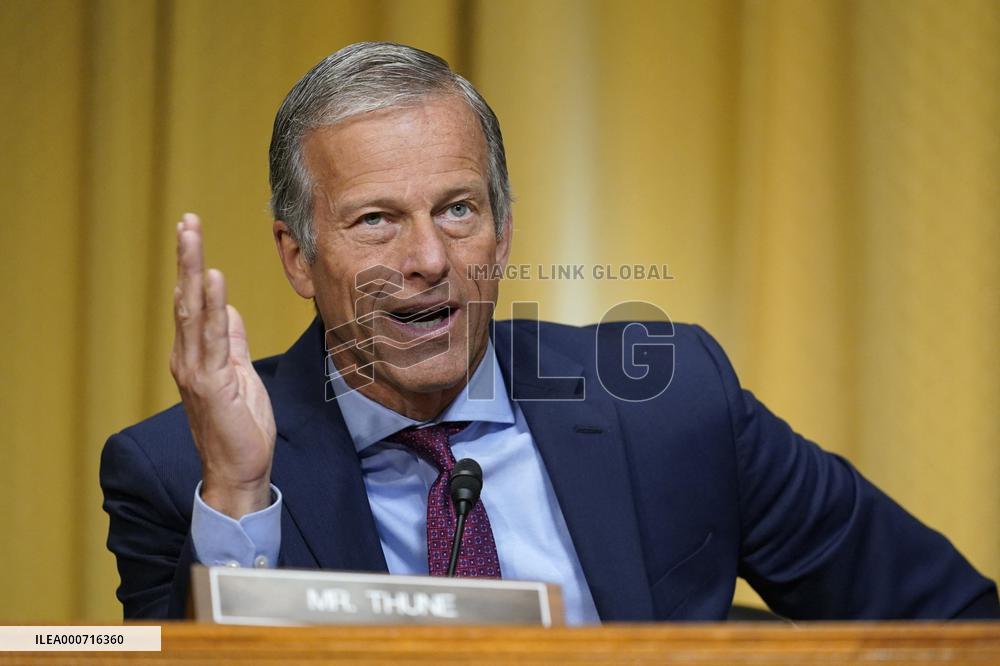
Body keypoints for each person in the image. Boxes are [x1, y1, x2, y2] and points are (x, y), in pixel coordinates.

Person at [100, 41, 999, 623]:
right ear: (298, 258)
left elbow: (953, 621)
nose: (428, 258)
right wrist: (240, 491)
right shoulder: (180, 475)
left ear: (503, 232)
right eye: (376, 220)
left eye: (459, 209)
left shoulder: (676, 402)